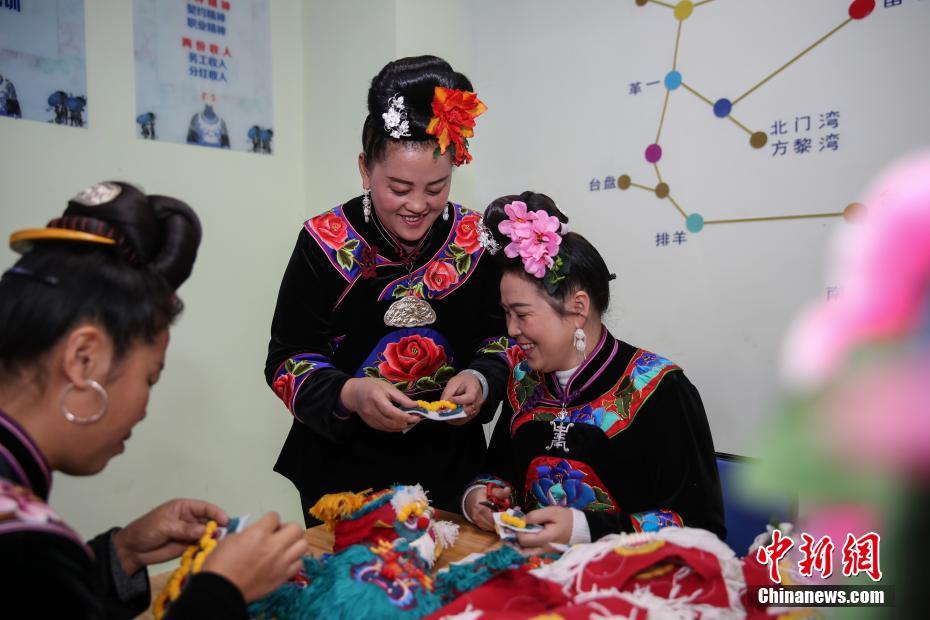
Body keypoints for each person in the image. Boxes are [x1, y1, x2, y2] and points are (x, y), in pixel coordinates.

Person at [0, 182, 307, 618]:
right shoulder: (25, 547)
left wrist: (122, 553)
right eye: (150, 377)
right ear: (83, 359)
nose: (144, 409)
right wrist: (222, 590)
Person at [265, 56, 509, 525]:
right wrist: (349, 394)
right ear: (365, 170)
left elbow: (502, 339)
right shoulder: (325, 242)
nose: (418, 205)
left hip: (451, 467)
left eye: (436, 188)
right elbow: (286, 359)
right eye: (399, 188)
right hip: (342, 470)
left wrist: (481, 379)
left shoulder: (474, 239)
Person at [462, 192, 725, 552]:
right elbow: (499, 473)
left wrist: (584, 529)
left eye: (521, 314)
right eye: (506, 314)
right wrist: (480, 496)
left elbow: (700, 527)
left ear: (578, 308)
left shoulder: (659, 388)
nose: (511, 330)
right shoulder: (523, 382)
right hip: (534, 570)